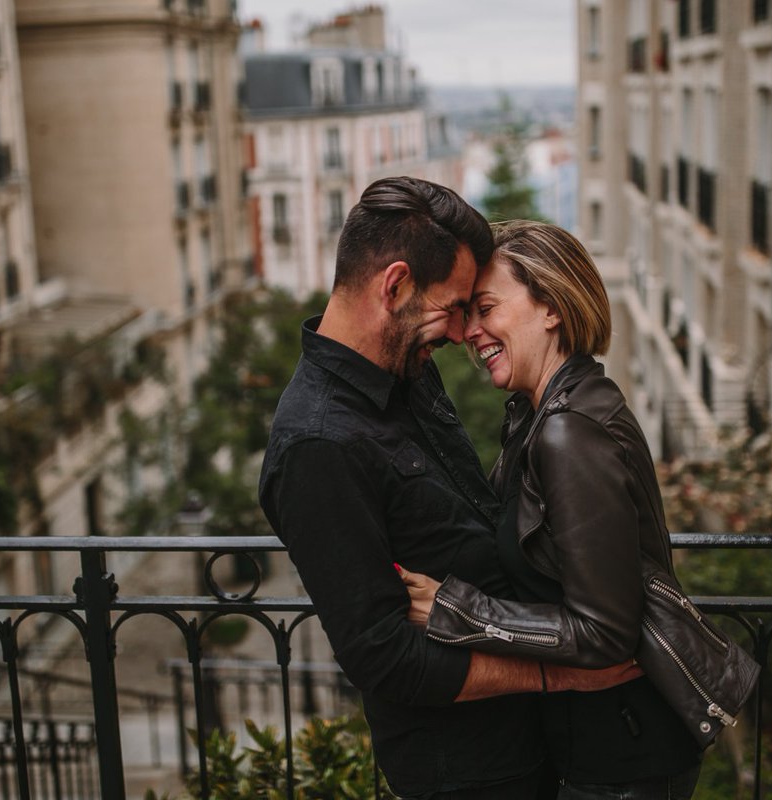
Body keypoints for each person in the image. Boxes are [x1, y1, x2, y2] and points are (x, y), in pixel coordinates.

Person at [258, 177, 640, 800]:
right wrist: (562, 675)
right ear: (396, 285)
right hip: (466, 771)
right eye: (456, 306)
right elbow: (383, 658)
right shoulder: (317, 445)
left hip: (529, 741)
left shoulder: (407, 370)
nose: (463, 333)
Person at [400, 220, 706, 799]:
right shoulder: (541, 413)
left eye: (486, 307)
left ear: (551, 309)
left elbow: (604, 632)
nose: (470, 331)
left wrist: (455, 611)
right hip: (601, 741)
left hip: (624, 753)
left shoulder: (569, 432)